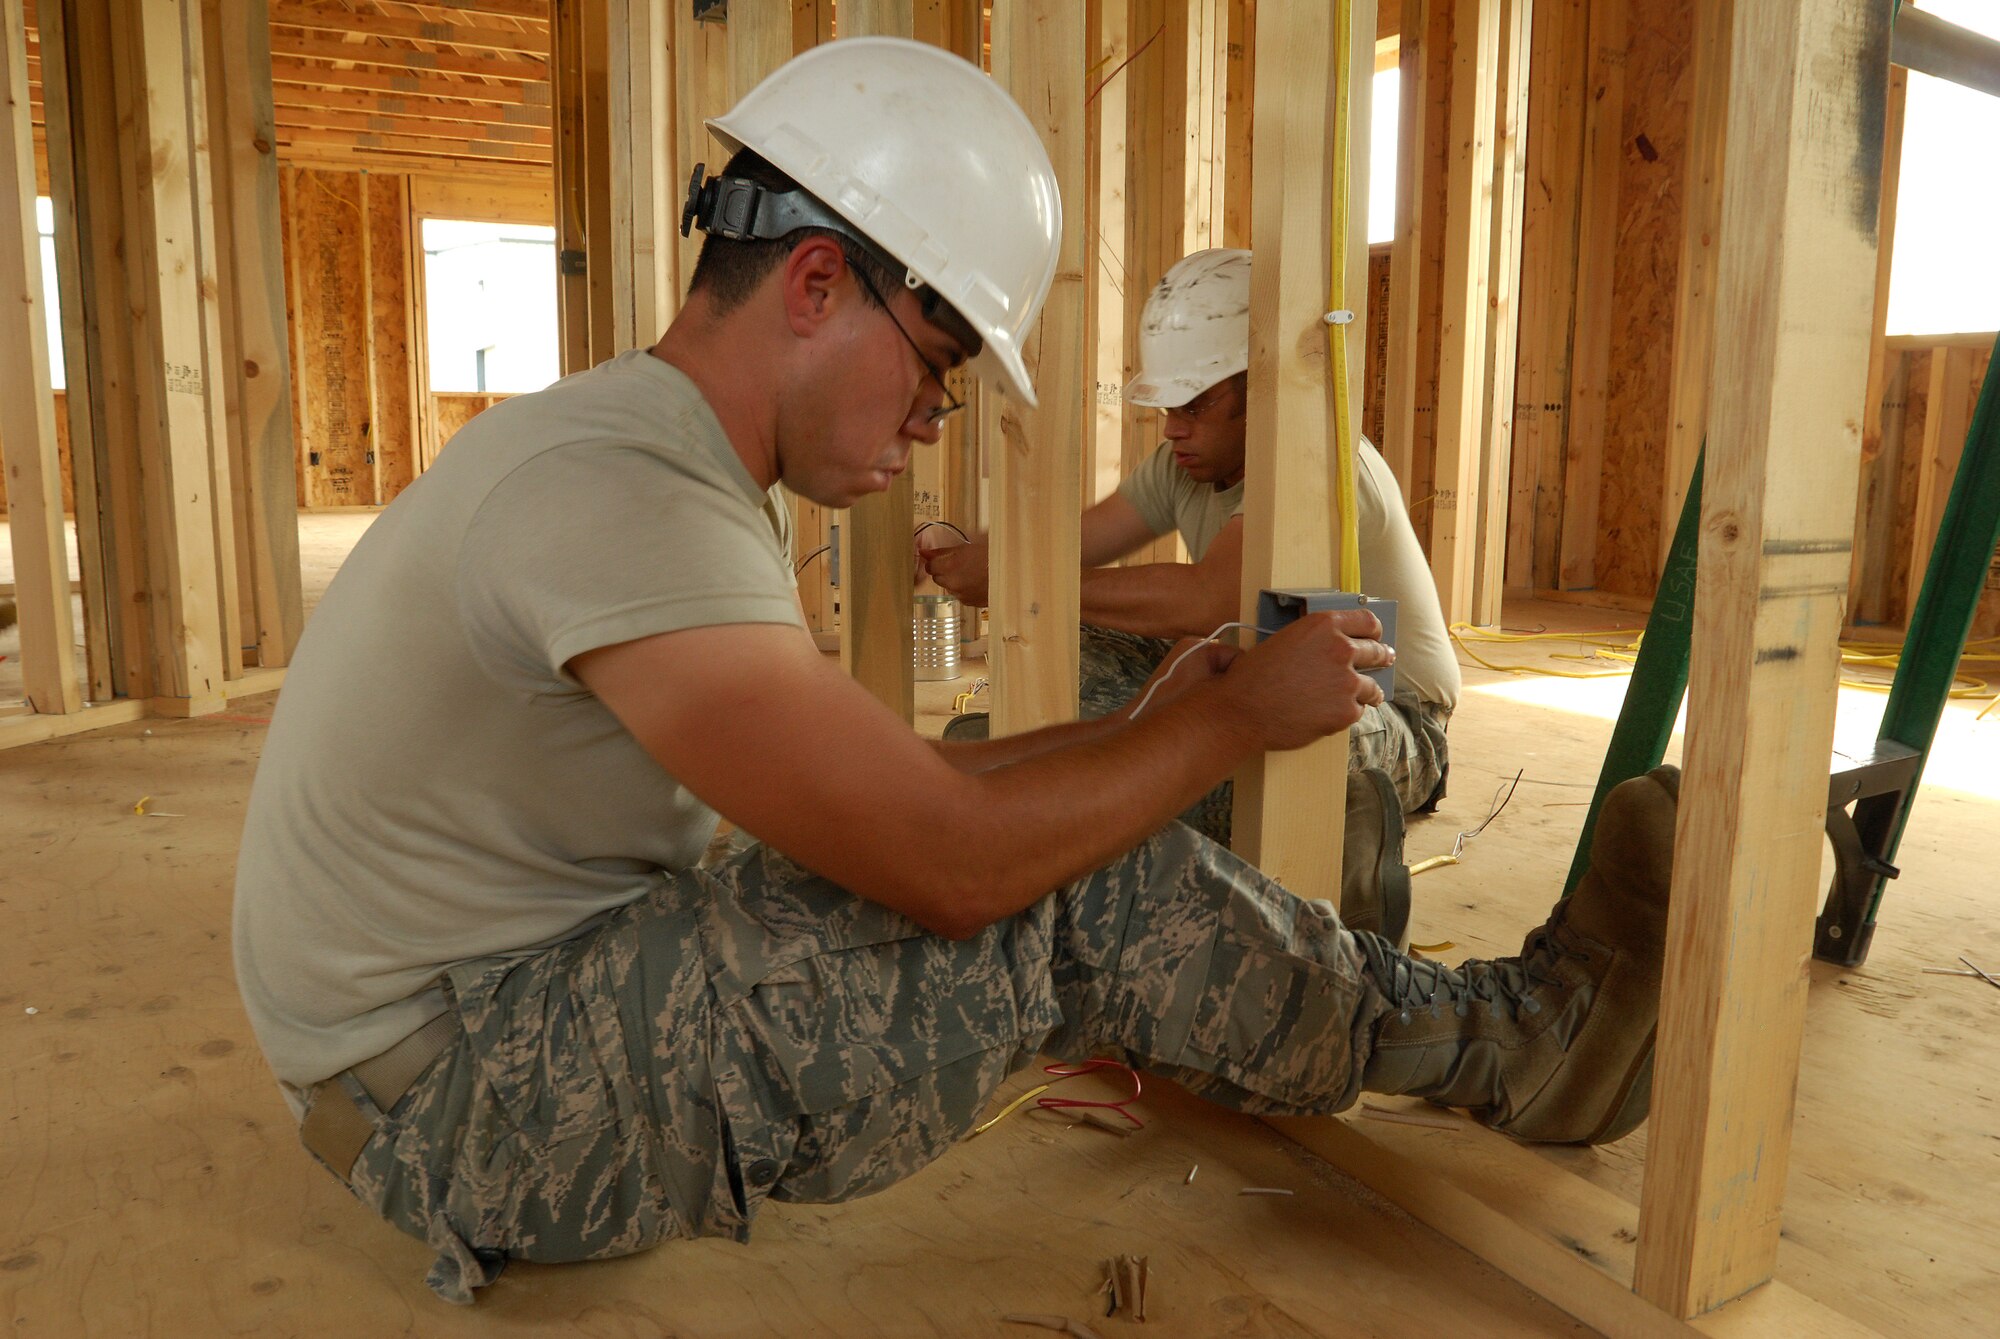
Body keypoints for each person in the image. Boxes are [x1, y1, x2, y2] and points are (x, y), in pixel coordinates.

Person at [232, 38, 1680, 1307]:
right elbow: (947, 860)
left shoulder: (643, 457)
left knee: (1073, 829)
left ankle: (1420, 1029)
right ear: (815, 283)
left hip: (473, 1032)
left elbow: (898, 786)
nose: (934, 414)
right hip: (468, 1097)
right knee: (1065, 888)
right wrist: (1234, 709)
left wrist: (1156, 727)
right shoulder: (628, 496)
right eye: (937, 361)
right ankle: (1510, 1047)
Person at [922, 249, 1459, 829]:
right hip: (1260, 673)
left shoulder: (1318, 463)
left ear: (1262, 392)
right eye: (1168, 407)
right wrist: (977, 556)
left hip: (1390, 717)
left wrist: (1018, 580)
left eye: (1197, 405)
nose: (1174, 427)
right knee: (1085, 654)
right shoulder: (1183, 463)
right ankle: (1046, 761)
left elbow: (1210, 600)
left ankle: (1357, 833)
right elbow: (1075, 545)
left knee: (1218, 737)